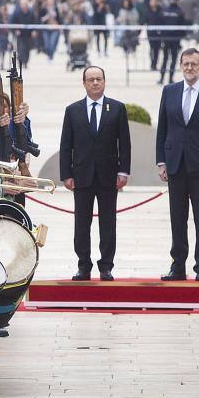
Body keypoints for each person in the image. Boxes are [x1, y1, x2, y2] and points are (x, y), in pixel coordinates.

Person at [155, 48, 199, 281]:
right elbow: (162, 128)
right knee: (177, 217)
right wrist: (161, 161)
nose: (189, 68)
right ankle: (178, 264)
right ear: (180, 65)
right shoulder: (170, 91)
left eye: (194, 64)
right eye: (185, 64)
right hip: (175, 164)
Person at [60, 65, 131, 281]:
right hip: (82, 175)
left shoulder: (117, 108)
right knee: (82, 223)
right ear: (84, 83)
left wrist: (124, 171)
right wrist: (66, 174)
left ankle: (106, 266)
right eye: (90, 79)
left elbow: (125, 144)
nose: (95, 83)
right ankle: (84, 265)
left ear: (104, 81)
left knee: (108, 222)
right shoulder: (73, 110)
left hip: (109, 176)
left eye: (98, 79)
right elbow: (66, 145)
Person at [158, 0, 185, 85]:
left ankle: (162, 78)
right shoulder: (180, 12)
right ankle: (170, 79)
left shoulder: (165, 11)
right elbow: (183, 26)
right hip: (175, 40)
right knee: (173, 59)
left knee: (165, 59)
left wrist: (161, 36)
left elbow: (160, 24)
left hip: (166, 39)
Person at [11, 0, 37, 68]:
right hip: (20, 34)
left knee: (27, 49)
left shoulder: (31, 12)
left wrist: (34, 31)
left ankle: (25, 62)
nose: (24, 6)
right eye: (22, 4)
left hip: (28, 34)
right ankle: (20, 62)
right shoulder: (16, 13)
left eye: (25, 4)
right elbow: (12, 23)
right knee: (20, 48)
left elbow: (35, 22)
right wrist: (15, 30)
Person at [146, 0, 163, 71]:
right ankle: (152, 63)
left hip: (158, 33)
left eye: (153, 1)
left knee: (157, 49)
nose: (152, 3)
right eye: (151, 1)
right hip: (150, 33)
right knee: (152, 48)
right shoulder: (148, 10)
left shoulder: (160, 10)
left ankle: (155, 64)